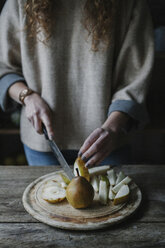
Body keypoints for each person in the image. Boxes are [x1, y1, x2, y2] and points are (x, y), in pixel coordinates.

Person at [0, 0, 154, 167]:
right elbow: (3, 66)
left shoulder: (128, 4)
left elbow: (135, 77)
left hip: (107, 144)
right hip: (44, 144)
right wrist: (27, 97)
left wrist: (111, 128)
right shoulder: (20, 2)